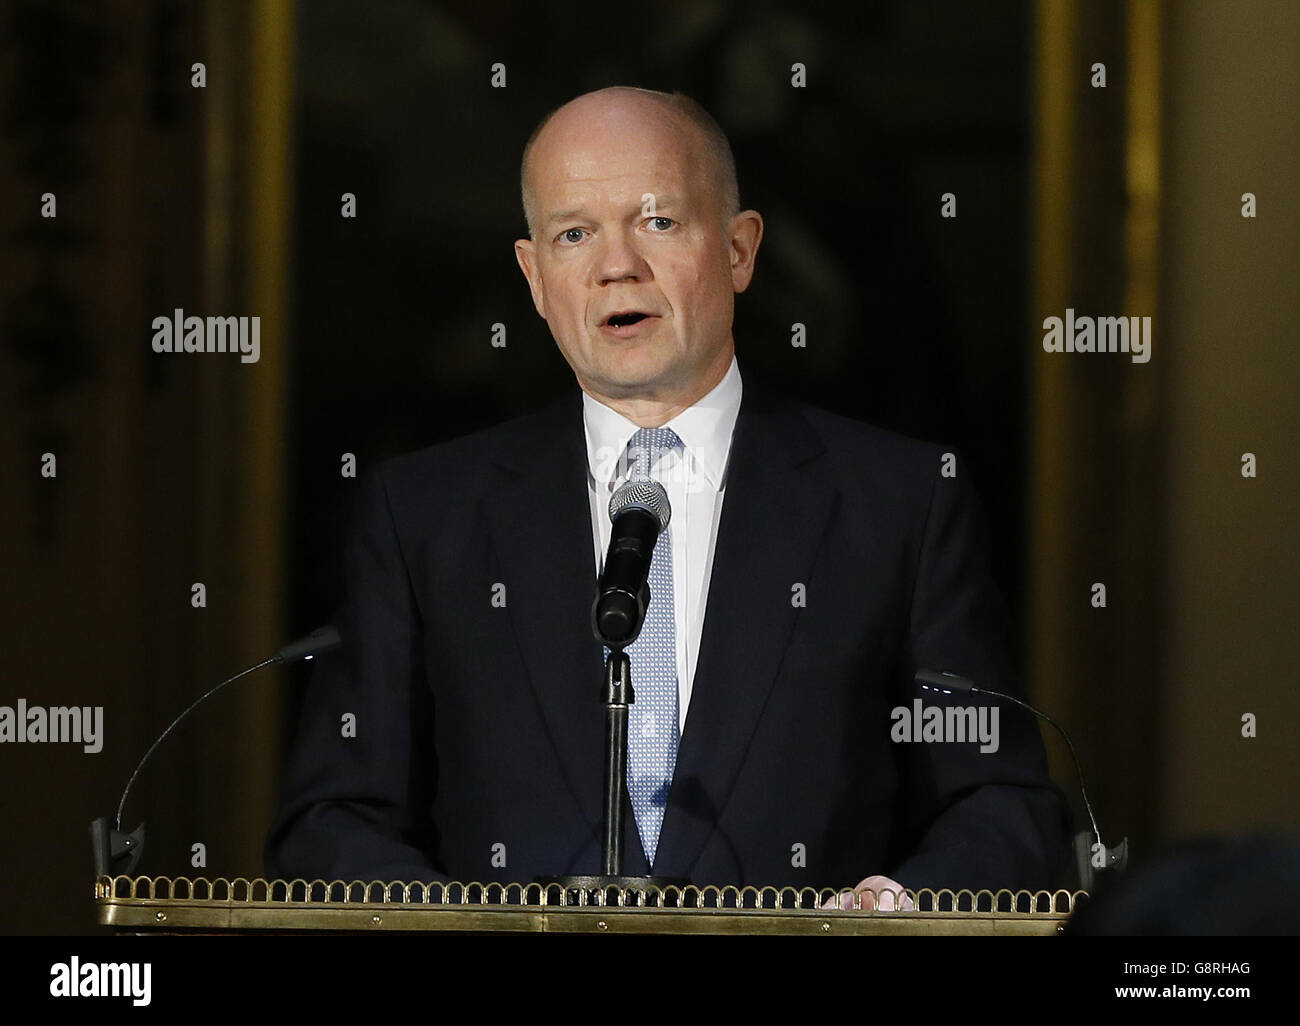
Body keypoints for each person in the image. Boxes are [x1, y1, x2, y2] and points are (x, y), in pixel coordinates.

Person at [264, 86, 1072, 907]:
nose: (616, 265)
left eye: (657, 221)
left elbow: (1002, 807)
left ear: (739, 249)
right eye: (573, 233)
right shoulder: (424, 516)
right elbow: (331, 822)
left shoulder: (899, 503)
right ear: (535, 275)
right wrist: (467, 930)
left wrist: (893, 914)